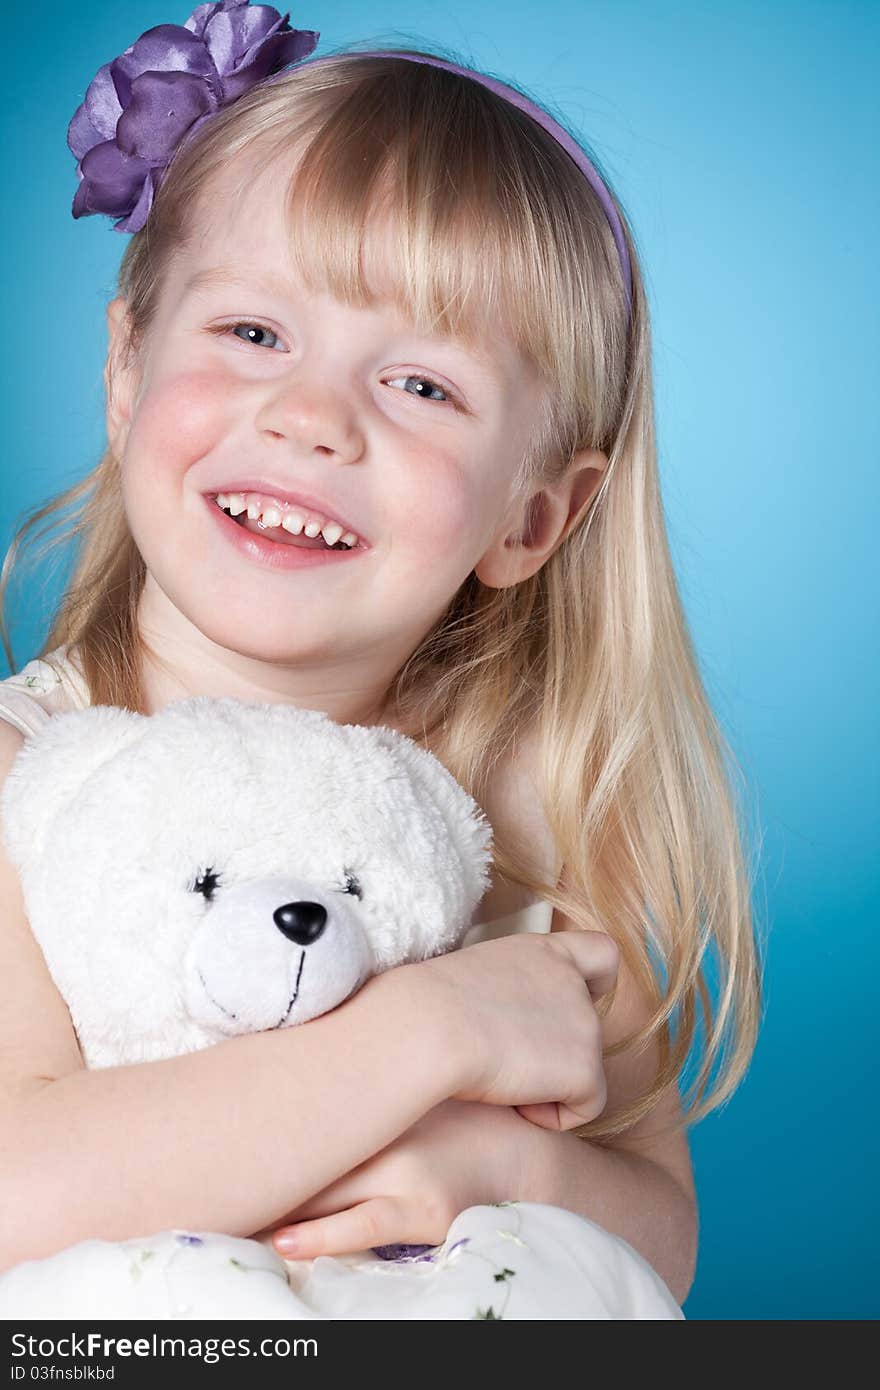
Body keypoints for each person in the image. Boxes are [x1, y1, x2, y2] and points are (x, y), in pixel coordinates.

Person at [0, 3, 763, 1310]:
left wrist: (496, 1158)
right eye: (254, 333)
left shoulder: (529, 822)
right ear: (127, 372)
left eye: (421, 385)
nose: (308, 419)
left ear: (534, 517)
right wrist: (431, 1030)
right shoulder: (23, 778)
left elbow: (662, 1231)